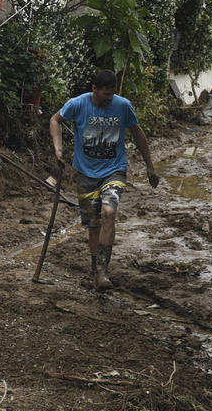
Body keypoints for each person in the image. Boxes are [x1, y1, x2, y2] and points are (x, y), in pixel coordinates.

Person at [50, 69, 160, 290]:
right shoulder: (78, 104)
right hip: (85, 173)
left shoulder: (123, 106)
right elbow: (55, 120)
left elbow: (137, 133)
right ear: (94, 89)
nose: (108, 100)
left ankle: (102, 272)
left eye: (111, 96)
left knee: (108, 213)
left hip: (114, 170)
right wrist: (58, 149)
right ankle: (95, 269)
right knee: (93, 224)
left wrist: (150, 166)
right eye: (104, 96)